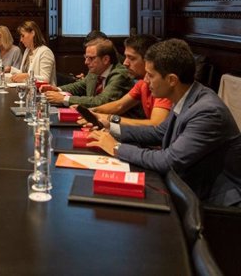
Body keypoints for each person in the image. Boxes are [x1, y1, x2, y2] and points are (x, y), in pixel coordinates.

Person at [88, 39, 241, 207]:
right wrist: (110, 127)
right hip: (188, 188)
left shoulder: (208, 111)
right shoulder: (186, 96)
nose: (145, 81)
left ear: (172, 80)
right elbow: (159, 132)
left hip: (216, 205)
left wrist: (116, 148)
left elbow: (167, 161)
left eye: (151, 75)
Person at [79, 34, 171, 128]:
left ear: (148, 59)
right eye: (126, 57)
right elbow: (119, 105)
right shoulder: (142, 83)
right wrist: (90, 112)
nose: (125, 63)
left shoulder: (163, 85)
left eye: (131, 58)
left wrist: (109, 119)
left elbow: (156, 125)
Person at [43, 38, 131, 107]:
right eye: (86, 57)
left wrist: (64, 99)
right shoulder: (95, 71)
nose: (86, 62)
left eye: (91, 58)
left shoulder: (119, 75)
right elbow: (79, 86)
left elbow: (101, 102)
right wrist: (57, 89)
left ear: (105, 59)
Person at [10, 20, 56, 85]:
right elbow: (23, 72)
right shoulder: (27, 50)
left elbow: (46, 80)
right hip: (28, 90)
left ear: (33, 33)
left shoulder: (45, 52)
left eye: (23, 36)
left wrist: (27, 76)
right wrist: (10, 69)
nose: (21, 40)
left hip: (43, 92)